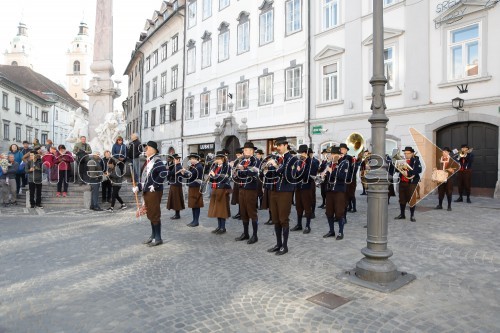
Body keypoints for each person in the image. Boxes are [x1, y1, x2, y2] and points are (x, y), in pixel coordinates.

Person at [266, 137, 299, 255]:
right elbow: (270, 173)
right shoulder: (276, 158)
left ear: (285, 145)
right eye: (276, 146)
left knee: (283, 219)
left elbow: (288, 175)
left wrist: (275, 166)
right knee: (275, 219)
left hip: (285, 191)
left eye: (279, 146)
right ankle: (278, 244)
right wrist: (267, 168)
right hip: (274, 190)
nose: (278, 148)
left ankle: (284, 246)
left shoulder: (292, 159)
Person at [132, 141, 168, 246]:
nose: (145, 150)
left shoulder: (157, 161)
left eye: (147, 148)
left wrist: (155, 184)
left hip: (154, 191)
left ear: (153, 149)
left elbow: (163, 173)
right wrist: (138, 187)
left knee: (154, 214)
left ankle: (158, 238)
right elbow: (145, 178)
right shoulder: (148, 161)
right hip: (147, 191)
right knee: (150, 214)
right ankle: (153, 236)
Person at [234, 142, 260, 244]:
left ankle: (255, 235)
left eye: (247, 150)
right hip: (241, 188)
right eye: (244, 150)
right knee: (243, 211)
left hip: (251, 189)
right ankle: (245, 233)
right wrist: (237, 172)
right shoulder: (242, 160)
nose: (245, 152)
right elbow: (237, 174)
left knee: (252, 212)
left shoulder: (256, 161)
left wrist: (243, 170)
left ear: (252, 151)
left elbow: (254, 173)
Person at [323, 146, 351, 240]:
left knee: (339, 213)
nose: (332, 156)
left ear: (339, 155)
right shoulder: (330, 163)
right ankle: (331, 231)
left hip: (339, 191)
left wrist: (332, 171)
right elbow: (328, 176)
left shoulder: (345, 163)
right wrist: (324, 174)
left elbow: (342, 177)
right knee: (329, 212)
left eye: (333, 154)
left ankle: (340, 232)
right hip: (330, 190)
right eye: (331, 154)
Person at [291, 145, 318, 234]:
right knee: (298, 206)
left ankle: (307, 225)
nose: (300, 155)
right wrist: (296, 172)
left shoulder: (312, 162)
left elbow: (309, 175)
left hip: (307, 187)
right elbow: (294, 173)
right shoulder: (299, 161)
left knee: (307, 206)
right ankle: (299, 224)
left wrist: (300, 171)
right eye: (299, 153)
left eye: (301, 153)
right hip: (298, 186)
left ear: (305, 153)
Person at [394, 146, 422, 222]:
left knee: (412, 199)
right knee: (402, 199)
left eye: (407, 153)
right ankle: (402, 214)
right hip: (402, 182)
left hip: (411, 183)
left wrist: (408, 172)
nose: (406, 154)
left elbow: (419, 170)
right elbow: (397, 170)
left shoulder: (416, 160)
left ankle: (412, 215)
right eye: (405, 153)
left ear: (412, 153)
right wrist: (396, 166)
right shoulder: (402, 160)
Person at [207, 151, 231, 234]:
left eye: (219, 159)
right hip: (215, 189)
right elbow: (211, 179)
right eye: (217, 158)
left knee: (222, 209)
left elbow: (225, 178)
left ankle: (223, 227)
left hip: (223, 189)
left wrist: (215, 175)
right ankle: (219, 226)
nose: (218, 160)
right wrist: (210, 175)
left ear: (223, 159)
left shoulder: (226, 167)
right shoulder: (214, 167)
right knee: (217, 209)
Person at [181, 153, 204, 227]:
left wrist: (185, 172)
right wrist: (184, 173)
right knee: (193, 205)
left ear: (196, 159)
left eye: (192, 159)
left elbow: (191, 176)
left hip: (196, 187)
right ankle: (194, 220)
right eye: (190, 159)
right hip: (192, 186)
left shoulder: (199, 166)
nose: (190, 160)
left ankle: (196, 221)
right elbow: (188, 175)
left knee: (196, 204)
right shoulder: (193, 166)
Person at [166, 154, 185, 219]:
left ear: (177, 160)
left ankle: (177, 215)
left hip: (176, 185)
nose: (173, 161)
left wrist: (167, 170)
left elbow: (172, 173)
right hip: (175, 184)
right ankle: (177, 214)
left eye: (174, 160)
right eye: (173, 160)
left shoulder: (178, 166)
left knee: (176, 200)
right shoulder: (176, 166)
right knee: (175, 200)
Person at [230, 148, 243, 219]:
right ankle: (239, 212)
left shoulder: (244, 161)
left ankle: (243, 213)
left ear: (242, 154)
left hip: (242, 181)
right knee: (238, 198)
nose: (237, 157)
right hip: (237, 181)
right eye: (237, 155)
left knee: (242, 199)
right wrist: (232, 168)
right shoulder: (236, 161)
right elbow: (233, 172)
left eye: (239, 155)